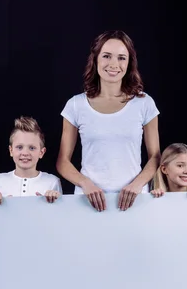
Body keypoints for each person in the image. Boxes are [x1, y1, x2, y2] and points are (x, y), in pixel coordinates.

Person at [56, 30, 160, 211]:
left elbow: (155, 157)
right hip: (88, 202)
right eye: (106, 56)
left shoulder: (144, 103)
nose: (114, 64)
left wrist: (137, 185)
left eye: (121, 58)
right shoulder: (75, 105)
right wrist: (85, 184)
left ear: (129, 63)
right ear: (95, 59)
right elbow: (62, 161)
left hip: (134, 200)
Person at [0, 116, 62, 205]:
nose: (25, 153)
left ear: (41, 152)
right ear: (11, 150)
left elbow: (57, 215)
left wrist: (51, 201)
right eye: (19, 147)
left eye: (32, 148)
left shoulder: (52, 182)